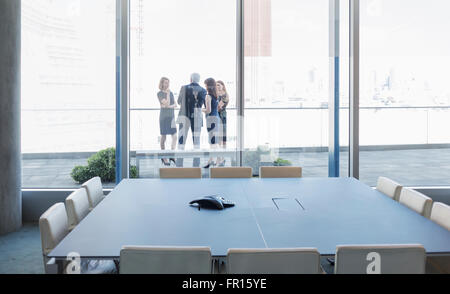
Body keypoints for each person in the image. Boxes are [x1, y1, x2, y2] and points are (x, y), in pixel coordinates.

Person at [176, 73, 207, 167]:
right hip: (197, 116)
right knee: (196, 141)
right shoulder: (203, 90)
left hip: (184, 116)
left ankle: (179, 164)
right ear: (199, 80)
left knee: (181, 140)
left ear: (191, 79)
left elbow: (178, 101)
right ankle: (196, 164)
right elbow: (203, 105)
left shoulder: (183, 87)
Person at [157, 77, 177, 166]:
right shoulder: (160, 93)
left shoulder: (171, 92)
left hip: (171, 117)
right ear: (162, 83)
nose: (167, 84)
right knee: (163, 137)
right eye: (165, 83)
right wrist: (168, 95)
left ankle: (172, 155)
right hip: (164, 117)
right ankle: (164, 156)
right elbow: (167, 104)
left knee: (175, 136)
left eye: (168, 83)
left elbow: (175, 105)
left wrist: (168, 105)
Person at [203, 78, 221, 168]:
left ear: (208, 85)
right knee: (213, 141)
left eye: (205, 84)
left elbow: (208, 110)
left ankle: (218, 159)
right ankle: (211, 160)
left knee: (213, 142)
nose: (205, 86)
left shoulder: (208, 96)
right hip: (216, 118)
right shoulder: (216, 95)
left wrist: (199, 109)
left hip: (211, 119)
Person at [216, 80, 229, 167]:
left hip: (222, 116)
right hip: (215, 116)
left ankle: (222, 158)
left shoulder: (225, 95)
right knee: (217, 139)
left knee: (223, 139)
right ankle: (218, 158)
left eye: (219, 85)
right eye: (216, 85)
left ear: (222, 86)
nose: (217, 87)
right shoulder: (215, 94)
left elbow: (219, 107)